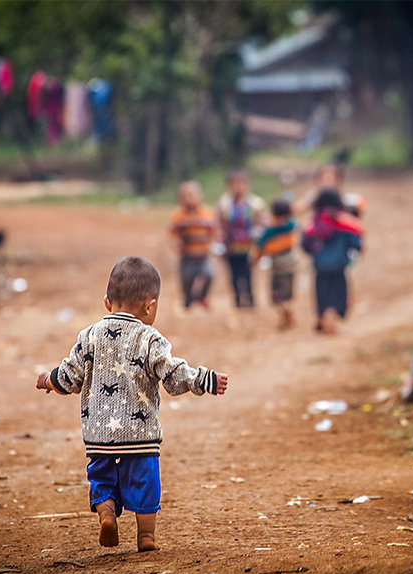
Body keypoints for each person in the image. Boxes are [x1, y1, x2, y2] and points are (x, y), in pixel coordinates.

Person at [36, 257, 228, 551]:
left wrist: (49, 379)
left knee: (102, 481)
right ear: (150, 306)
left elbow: (69, 377)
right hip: (140, 437)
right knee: (144, 484)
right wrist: (205, 379)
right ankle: (146, 537)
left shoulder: (89, 336)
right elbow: (174, 375)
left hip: (99, 436)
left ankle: (107, 514)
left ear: (106, 301)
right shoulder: (150, 339)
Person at [302, 188, 363, 334]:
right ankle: (332, 314)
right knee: (338, 293)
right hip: (339, 266)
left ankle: (322, 315)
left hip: (320, 266)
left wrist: (314, 253)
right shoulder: (346, 223)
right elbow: (356, 244)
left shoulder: (314, 223)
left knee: (321, 293)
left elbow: (305, 244)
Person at [216, 170, 265, 309]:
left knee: (248, 275)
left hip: (248, 247)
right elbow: (219, 224)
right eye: (234, 183)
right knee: (233, 276)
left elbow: (261, 223)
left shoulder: (255, 204)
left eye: (241, 183)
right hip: (231, 248)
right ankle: (237, 300)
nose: (238, 187)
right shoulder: (224, 204)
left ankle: (250, 300)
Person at [169, 181, 217, 310]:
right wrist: (176, 244)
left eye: (192, 195)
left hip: (203, 255)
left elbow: (214, 231)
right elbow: (173, 233)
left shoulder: (206, 214)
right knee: (186, 279)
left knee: (209, 274)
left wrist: (212, 244)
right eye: (185, 196)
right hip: (187, 255)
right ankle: (188, 299)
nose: (189, 199)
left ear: (200, 196)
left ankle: (202, 296)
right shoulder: (178, 216)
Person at [255, 197, 299, 330]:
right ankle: (286, 318)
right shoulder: (292, 226)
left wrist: (255, 259)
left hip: (278, 269)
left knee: (276, 298)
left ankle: (285, 314)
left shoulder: (270, 230)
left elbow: (259, 244)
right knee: (287, 295)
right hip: (292, 266)